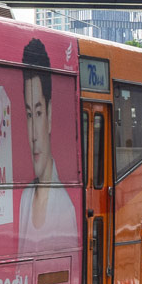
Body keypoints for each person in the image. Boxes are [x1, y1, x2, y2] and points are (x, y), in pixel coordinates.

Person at [18, 38, 81, 255]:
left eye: (38, 113)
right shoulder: (25, 200)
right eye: (28, 115)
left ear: (50, 114)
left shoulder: (66, 209)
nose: (34, 135)